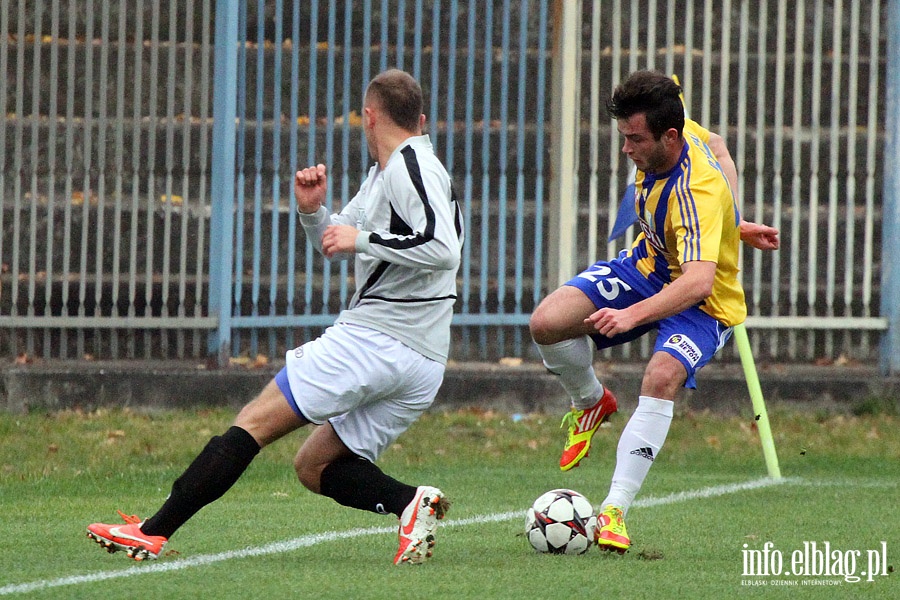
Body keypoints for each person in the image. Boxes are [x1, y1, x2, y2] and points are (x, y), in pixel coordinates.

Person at [87, 68, 465, 566]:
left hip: (378, 340)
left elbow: (443, 249)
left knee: (254, 422)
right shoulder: (387, 172)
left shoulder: (408, 164)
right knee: (314, 464)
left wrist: (362, 240)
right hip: (422, 357)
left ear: (368, 117)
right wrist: (314, 212)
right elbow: (336, 237)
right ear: (419, 118)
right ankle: (410, 503)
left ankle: (152, 531)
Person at [528, 70, 778, 554]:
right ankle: (590, 401)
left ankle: (614, 509)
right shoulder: (680, 124)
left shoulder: (695, 191)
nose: (626, 150)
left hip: (704, 304)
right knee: (547, 323)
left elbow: (698, 281)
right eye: (622, 136)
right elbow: (722, 144)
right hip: (647, 264)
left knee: (660, 377)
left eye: (634, 139)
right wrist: (735, 224)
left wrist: (632, 315)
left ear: (668, 136)